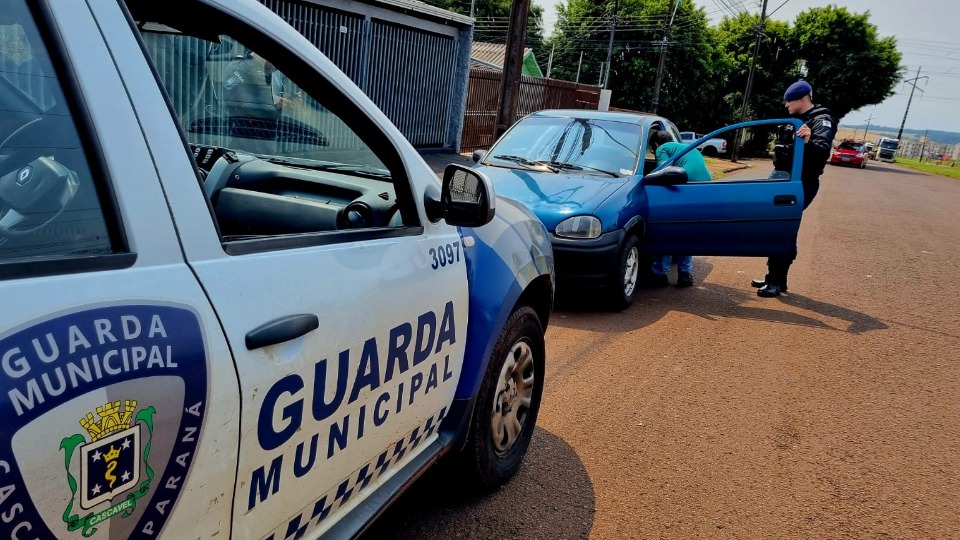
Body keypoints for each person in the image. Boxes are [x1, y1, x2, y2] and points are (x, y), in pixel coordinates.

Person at [753, 80, 836, 297]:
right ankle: (777, 278)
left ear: (802, 98)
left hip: (800, 184)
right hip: (783, 179)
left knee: (784, 228)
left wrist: (808, 141)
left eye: (789, 100)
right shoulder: (796, 120)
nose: (786, 105)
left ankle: (776, 280)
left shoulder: (821, 121)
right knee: (778, 227)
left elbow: (821, 151)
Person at [648, 130, 713, 288]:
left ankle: (660, 273)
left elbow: (663, 172)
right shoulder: (689, 148)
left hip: (684, 192)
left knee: (669, 231)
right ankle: (685, 274)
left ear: (656, 144)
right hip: (706, 192)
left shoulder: (662, 149)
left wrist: (644, 179)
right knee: (687, 233)